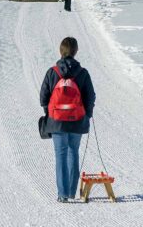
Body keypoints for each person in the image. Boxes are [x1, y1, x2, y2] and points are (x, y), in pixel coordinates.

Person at [40, 37, 96, 202]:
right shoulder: (83, 73)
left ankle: (63, 195)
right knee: (73, 152)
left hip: (57, 121)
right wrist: (87, 114)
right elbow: (90, 97)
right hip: (77, 120)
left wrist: (50, 113)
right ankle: (71, 192)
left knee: (61, 155)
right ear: (75, 51)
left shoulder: (52, 72)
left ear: (61, 51)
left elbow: (43, 97)